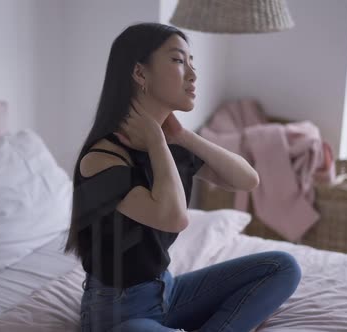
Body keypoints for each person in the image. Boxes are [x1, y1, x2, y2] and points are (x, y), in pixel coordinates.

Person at [64, 22, 302, 332]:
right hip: (117, 312)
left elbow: (247, 180)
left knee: (282, 267)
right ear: (140, 74)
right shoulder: (101, 159)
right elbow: (173, 218)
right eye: (178, 60)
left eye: (192, 61)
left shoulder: (170, 145)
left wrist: (183, 137)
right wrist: (156, 140)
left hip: (167, 291)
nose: (192, 74)